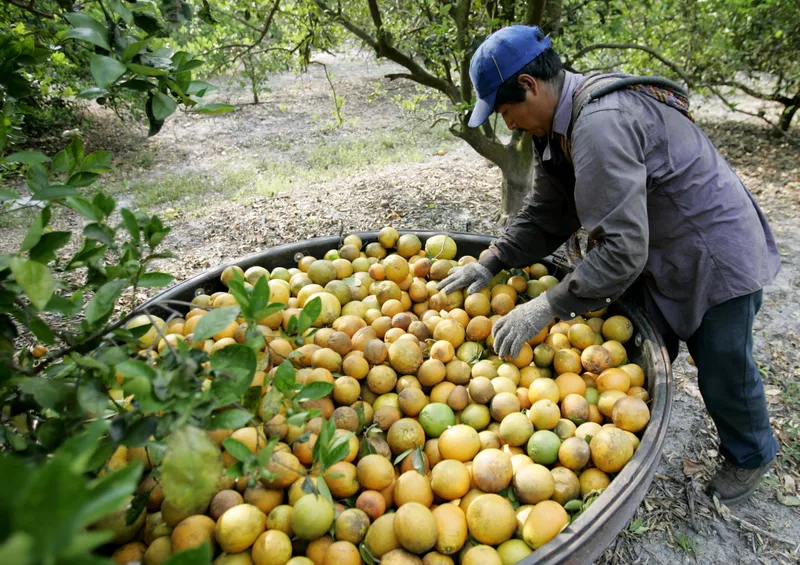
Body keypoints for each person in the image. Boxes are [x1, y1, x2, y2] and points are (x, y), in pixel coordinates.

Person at [437, 24, 781, 505]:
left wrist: (549, 306)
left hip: (713, 248)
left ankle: (752, 455)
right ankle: (621, 425)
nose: (508, 124)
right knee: (634, 340)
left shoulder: (599, 123)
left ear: (531, 87)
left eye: (505, 109)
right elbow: (549, 211)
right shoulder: (558, 126)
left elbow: (620, 250)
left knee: (723, 363)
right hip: (655, 244)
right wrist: (494, 259)